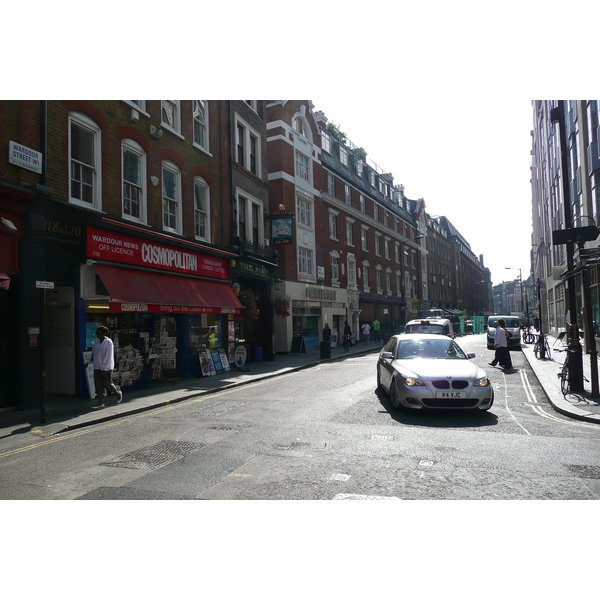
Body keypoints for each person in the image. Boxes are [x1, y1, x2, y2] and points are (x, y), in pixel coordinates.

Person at [84, 326, 122, 409]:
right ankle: (100, 402)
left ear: (104, 334)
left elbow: (108, 356)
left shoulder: (108, 342)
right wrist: (88, 362)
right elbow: (93, 352)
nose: (97, 335)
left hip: (106, 367)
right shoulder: (96, 342)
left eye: (99, 333)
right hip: (97, 366)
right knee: (98, 384)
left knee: (107, 383)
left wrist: (104, 367)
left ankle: (117, 393)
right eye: (96, 333)